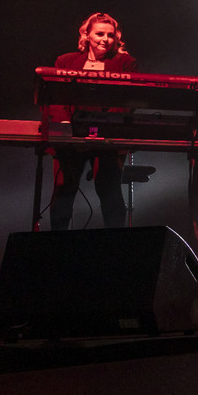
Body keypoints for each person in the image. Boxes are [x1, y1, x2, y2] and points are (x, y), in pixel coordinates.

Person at [46, 12, 137, 231]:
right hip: (71, 134)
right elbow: (56, 97)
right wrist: (64, 125)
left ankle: (114, 242)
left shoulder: (124, 62)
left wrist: (108, 124)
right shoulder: (65, 61)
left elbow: (127, 100)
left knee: (109, 189)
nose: (105, 39)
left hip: (108, 136)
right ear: (87, 35)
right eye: (100, 34)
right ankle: (56, 241)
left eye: (110, 35)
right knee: (64, 188)